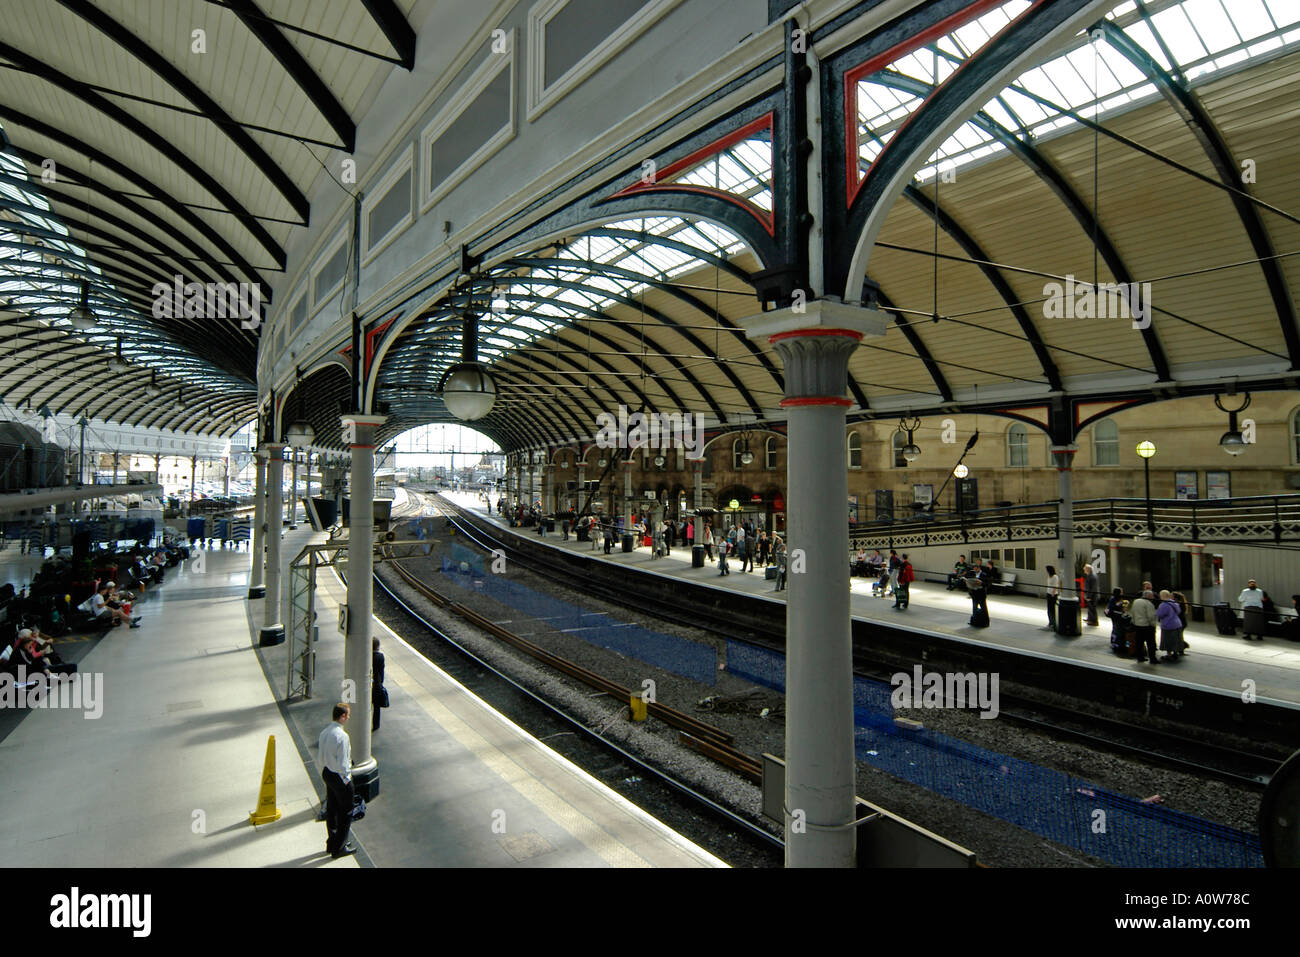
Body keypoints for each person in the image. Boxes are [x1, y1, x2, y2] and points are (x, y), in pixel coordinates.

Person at [319, 703, 358, 858]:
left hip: (327, 773)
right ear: (342, 716)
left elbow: (321, 757)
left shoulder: (324, 732)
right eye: (347, 715)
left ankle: (332, 842)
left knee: (332, 809)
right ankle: (340, 847)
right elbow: (343, 763)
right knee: (345, 812)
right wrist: (347, 778)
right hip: (340, 777)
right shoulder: (342, 736)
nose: (348, 717)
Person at [1130, 590, 1159, 664]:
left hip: (1137, 625)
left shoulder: (1136, 601)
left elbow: (1132, 612)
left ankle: (1140, 657)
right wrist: (1153, 625)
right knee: (1151, 643)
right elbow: (1151, 616)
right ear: (1148, 596)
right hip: (1147, 626)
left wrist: (1134, 622)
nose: (1153, 597)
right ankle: (1152, 659)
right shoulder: (1149, 604)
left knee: (1139, 643)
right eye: (1152, 596)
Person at [1157, 590, 1185, 661]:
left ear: (1162, 596)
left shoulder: (1163, 605)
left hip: (1168, 625)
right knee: (1175, 640)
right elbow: (1179, 611)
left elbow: (1160, 614)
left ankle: (1169, 655)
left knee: (1168, 640)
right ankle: (1175, 653)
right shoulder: (1174, 603)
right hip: (1177, 623)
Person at [371, 638, 387, 732]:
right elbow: (382, 671)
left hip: (367, 683)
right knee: (376, 706)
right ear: (378, 646)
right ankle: (376, 725)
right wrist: (381, 683)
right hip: (377, 683)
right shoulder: (380, 657)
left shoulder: (366, 656)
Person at [1045, 565, 1061, 630]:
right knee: (1049, 609)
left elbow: (1055, 585)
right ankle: (1050, 622)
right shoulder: (1049, 576)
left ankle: (1054, 623)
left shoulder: (1055, 577)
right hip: (1048, 593)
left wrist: (1053, 593)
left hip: (1053, 594)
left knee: (1053, 609)